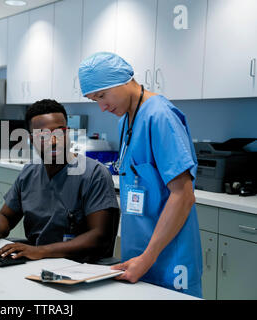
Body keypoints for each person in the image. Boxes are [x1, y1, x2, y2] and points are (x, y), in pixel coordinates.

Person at [78, 52, 202, 298]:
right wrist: (142, 258)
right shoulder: (126, 120)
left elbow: (183, 195)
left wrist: (148, 257)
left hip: (169, 258)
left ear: (124, 80)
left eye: (102, 95)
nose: (102, 107)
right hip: (138, 255)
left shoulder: (160, 116)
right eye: (95, 100)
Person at [0, 99, 119, 262]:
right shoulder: (29, 173)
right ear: (32, 139)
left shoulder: (94, 174)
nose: (53, 141)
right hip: (38, 263)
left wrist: (41, 251)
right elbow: (6, 216)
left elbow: (99, 236)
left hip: (80, 267)